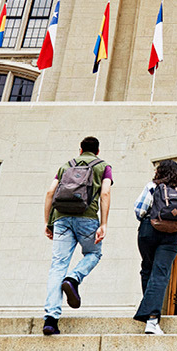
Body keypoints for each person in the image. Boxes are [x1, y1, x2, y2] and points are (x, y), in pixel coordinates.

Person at [41, 136, 113, 336]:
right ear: (97, 151)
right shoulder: (104, 166)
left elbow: (50, 193)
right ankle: (74, 278)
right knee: (93, 254)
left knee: (57, 266)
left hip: (61, 219)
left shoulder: (65, 166)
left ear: (80, 150)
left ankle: (51, 320)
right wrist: (104, 223)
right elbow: (105, 193)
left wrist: (49, 223)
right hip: (87, 217)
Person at [132, 160, 177, 335]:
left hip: (149, 230)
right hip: (172, 234)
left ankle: (150, 316)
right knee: (161, 272)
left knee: (147, 269)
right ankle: (152, 321)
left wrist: (148, 221)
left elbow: (139, 209)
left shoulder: (152, 186)